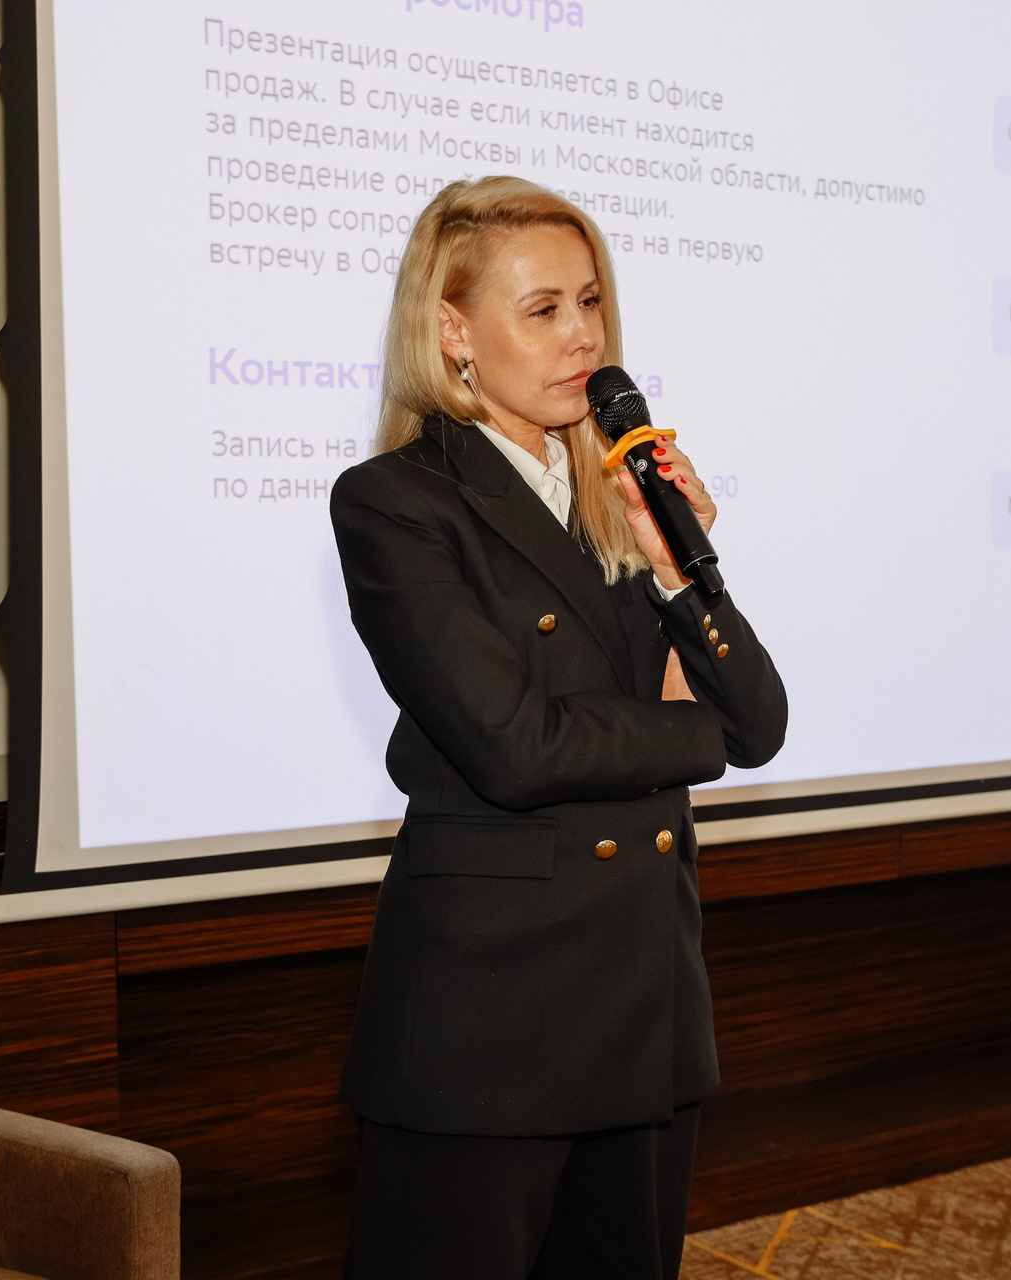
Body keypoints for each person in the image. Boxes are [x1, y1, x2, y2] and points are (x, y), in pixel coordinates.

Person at [329, 175, 789, 1280]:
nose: (584, 334)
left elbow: (759, 722)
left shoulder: (615, 500)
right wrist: (686, 738)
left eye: (590, 302)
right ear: (453, 332)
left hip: (644, 999)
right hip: (491, 1017)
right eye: (543, 309)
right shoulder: (397, 501)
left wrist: (679, 571)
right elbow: (516, 747)